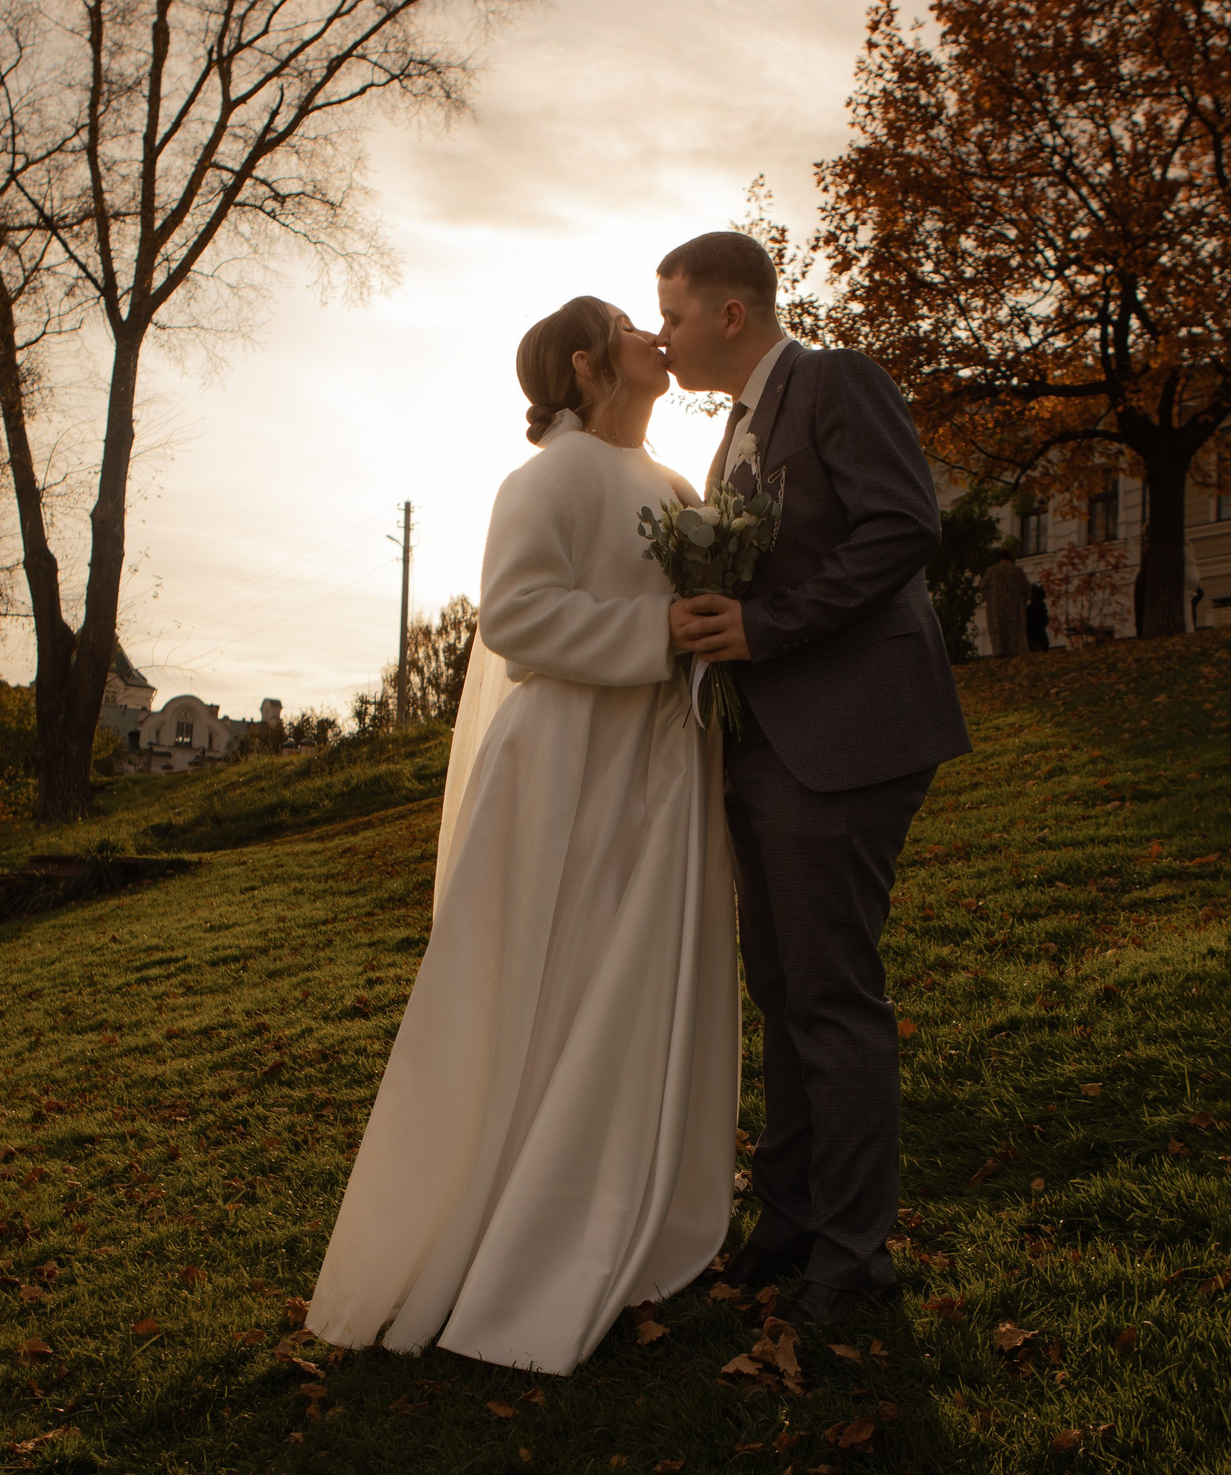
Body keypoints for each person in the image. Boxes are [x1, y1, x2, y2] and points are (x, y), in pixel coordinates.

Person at [306, 297, 738, 1376]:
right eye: (634, 326)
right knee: (553, 978)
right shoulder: (546, 477)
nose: (657, 335)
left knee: (637, 975)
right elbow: (514, 614)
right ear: (589, 365)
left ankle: (628, 1200)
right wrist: (655, 631)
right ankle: (512, 1232)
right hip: (567, 766)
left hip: (658, 761)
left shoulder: (678, 486)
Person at [661, 231, 971, 1328]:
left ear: (730, 314)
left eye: (676, 313)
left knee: (831, 997)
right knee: (781, 993)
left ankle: (853, 1259)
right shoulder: (734, 431)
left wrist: (765, 625)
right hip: (762, 748)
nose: (664, 335)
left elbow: (903, 525)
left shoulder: (834, 380)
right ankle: (786, 1221)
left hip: (849, 739)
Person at [980, 545, 1031, 658]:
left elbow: (983, 587)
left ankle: (999, 652)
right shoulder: (1018, 572)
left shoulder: (992, 571)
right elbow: (1027, 590)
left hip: (996, 609)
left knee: (998, 632)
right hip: (1015, 610)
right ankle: (1016, 653)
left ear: (999, 559)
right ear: (1011, 559)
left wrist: (987, 599)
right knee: (1015, 632)